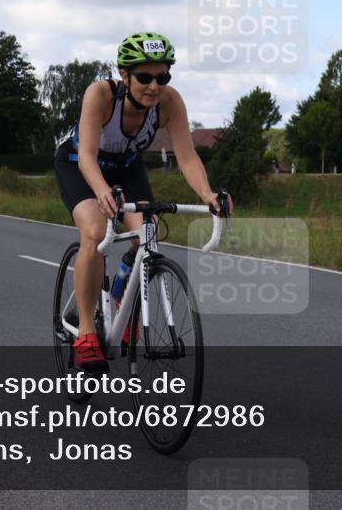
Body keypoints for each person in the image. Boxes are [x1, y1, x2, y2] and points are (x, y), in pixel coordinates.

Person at [55, 32, 231, 371]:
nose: (155, 86)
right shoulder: (101, 95)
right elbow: (87, 157)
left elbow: (187, 157)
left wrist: (208, 195)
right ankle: (88, 334)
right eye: (145, 77)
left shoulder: (170, 102)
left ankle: (121, 296)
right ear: (124, 75)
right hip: (80, 164)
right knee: (94, 230)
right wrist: (103, 192)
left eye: (163, 77)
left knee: (148, 233)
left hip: (126, 168)